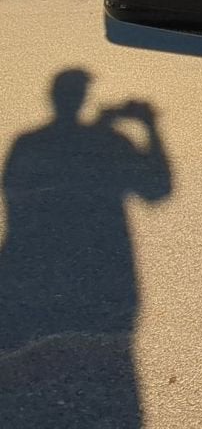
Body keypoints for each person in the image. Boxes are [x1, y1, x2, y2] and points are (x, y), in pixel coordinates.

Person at [0, 69, 171, 427]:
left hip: (35, 274)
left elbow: (14, 200)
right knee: (112, 378)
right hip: (110, 282)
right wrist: (150, 127)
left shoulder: (26, 142)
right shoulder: (111, 141)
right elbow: (157, 191)